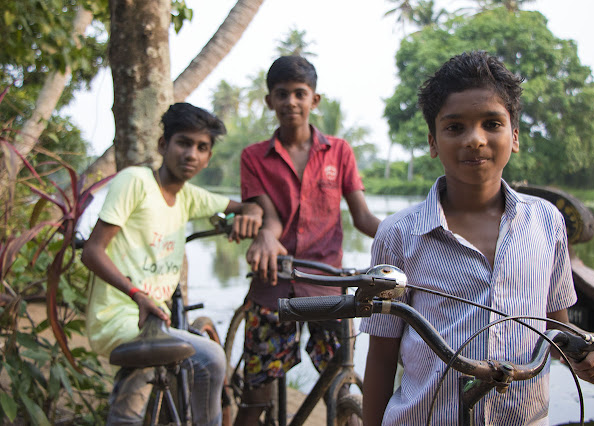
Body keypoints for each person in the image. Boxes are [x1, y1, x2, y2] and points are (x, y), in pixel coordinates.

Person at [360, 51, 594, 425]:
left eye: (491, 123)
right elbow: (382, 356)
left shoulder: (547, 222)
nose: (475, 139)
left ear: (514, 136)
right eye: (455, 128)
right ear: (433, 142)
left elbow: (557, 333)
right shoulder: (399, 234)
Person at [81, 102, 263, 425]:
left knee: (170, 368)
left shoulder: (188, 197)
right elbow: (92, 251)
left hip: (155, 318)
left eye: (201, 147)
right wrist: (137, 293)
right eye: (183, 142)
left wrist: (252, 216)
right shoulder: (135, 182)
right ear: (163, 145)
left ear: (208, 158)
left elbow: (247, 207)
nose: (191, 154)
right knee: (210, 356)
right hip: (120, 315)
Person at [236, 55, 380, 423]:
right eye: (281, 94)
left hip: (326, 288)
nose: (291, 103)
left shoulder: (339, 151)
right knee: (255, 397)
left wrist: (410, 237)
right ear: (269, 100)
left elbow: (362, 217)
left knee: (340, 384)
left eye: (300, 94)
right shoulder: (253, 157)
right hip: (273, 285)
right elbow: (265, 215)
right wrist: (266, 234)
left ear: (314, 100)